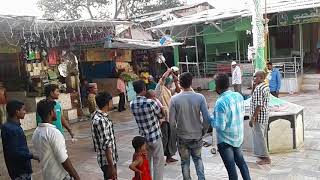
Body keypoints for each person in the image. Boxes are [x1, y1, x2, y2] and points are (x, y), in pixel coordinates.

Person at [169, 72, 210, 180]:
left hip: (182, 136)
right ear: (191, 82)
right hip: (197, 135)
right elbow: (207, 118)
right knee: (198, 159)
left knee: (185, 162)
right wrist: (203, 131)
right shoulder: (200, 97)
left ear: (179, 83)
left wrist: (174, 138)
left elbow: (172, 123)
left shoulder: (174, 99)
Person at [209, 73, 251, 180]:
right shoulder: (238, 96)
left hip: (225, 141)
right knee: (242, 164)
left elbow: (220, 127)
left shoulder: (220, 102)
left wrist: (210, 118)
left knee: (232, 170)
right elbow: (241, 114)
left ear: (217, 87)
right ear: (228, 84)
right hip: (237, 137)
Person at [32, 99, 80, 180]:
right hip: (60, 176)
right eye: (54, 110)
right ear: (51, 113)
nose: (56, 112)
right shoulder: (53, 133)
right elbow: (63, 159)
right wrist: (76, 177)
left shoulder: (36, 132)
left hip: (47, 175)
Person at [130, 80, 165, 180]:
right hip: (155, 136)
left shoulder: (132, 103)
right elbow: (161, 115)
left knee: (146, 162)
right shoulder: (150, 102)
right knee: (158, 161)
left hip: (143, 139)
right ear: (144, 89)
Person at [1, 100, 40, 180]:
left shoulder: (10, 127)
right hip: (20, 171)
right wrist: (33, 156)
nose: (25, 112)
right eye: (23, 110)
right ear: (17, 112)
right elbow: (16, 152)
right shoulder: (12, 129)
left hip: (16, 170)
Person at [91, 92, 118, 180]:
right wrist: (111, 167)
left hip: (107, 160)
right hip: (107, 161)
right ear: (108, 103)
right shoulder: (101, 120)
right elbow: (106, 146)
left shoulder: (96, 115)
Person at [155, 69, 178, 164]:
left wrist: (176, 81)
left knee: (171, 138)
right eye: (169, 83)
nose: (169, 84)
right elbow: (163, 78)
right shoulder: (159, 89)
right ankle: (161, 159)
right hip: (163, 119)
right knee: (164, 139)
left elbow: (177, 90)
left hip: (170, 118)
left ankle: (169, 156)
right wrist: (168, 71)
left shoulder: (167, 90)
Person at [250, 71, 271, 165]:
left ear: (261, 77)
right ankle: (263, 155)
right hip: (264, 115)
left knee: (260, 137)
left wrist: (253, 118)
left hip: (259, 117)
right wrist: (254, 86)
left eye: (255, 77)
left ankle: (266, 158)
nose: (254, 78)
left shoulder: (259, 88)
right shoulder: (265, 86)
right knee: (262, 136)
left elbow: (259, 105)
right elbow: (254, 97)